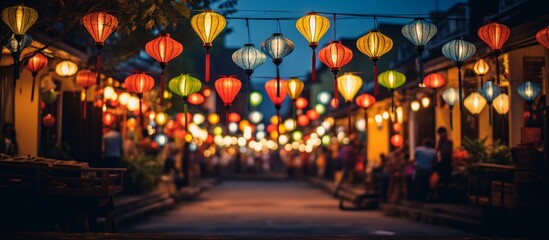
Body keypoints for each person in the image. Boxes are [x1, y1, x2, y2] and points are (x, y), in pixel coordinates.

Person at [436, 127, 453, 201]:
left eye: (440, 134)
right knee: (442, 179)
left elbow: (446, 152)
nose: (440, 136)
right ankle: (442, 196)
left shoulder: (448, 141)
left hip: (446, 162)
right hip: (442, 162)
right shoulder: (441, 141)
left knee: (445, 179)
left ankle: (445, 197)